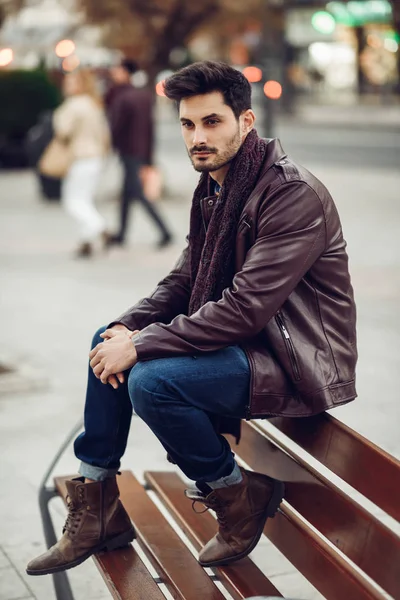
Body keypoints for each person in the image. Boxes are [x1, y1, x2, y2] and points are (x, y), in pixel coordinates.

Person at [27, 61, 357, 576]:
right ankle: (98, 506)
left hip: (292, 359)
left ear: (246, 123)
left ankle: (236, 496)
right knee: (106, 338)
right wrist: (126, 326)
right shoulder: (217, 188)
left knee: (153, 382)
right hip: (247, 346)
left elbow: (246, 308)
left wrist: (141, 345)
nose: (197, 138)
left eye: (212, 122)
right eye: (187, 124)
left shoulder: (290, 195)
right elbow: (183, 283)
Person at [106, 58, 172, 248]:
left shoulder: (121, 96)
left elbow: (116, 127)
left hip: (129, 151)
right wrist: (149, 155)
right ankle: (121, 234)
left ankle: (165, 231)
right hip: (140, 151)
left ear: (126, 72)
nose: (113, 73)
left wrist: (111, 147)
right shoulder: (144, 96)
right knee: (127, 193)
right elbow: (150, 128)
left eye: (117, 69)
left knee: (137, 193)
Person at [53, 69, 111, 257]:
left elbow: (63, 131)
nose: (66, 86)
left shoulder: (74, 105)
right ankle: (86, 241)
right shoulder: (94, 105)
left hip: (80, 157)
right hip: (95, 157)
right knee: (84, 199)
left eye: (70, 83)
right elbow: (104, 134)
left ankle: (99, 227)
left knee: (73, 201)